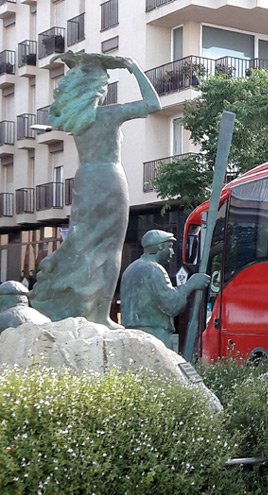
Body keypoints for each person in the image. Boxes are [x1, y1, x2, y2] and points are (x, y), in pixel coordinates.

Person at [29, 52, 162, 327]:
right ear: (98, 89)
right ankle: (100, 315)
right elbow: (153, 104)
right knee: (109, 250)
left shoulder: (78, 119)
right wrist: (135, 67)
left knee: (80, 244)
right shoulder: (109, 115)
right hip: (109, 178)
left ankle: (76, 305)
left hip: (85, 179)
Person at [120, 230, 210, 347]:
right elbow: (172, 305)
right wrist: (190, 285)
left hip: (132, 335)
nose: (172, 252)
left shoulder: (130, 269)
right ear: (161, 247)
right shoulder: (154, 269)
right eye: (170, 247)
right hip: (155, 335)